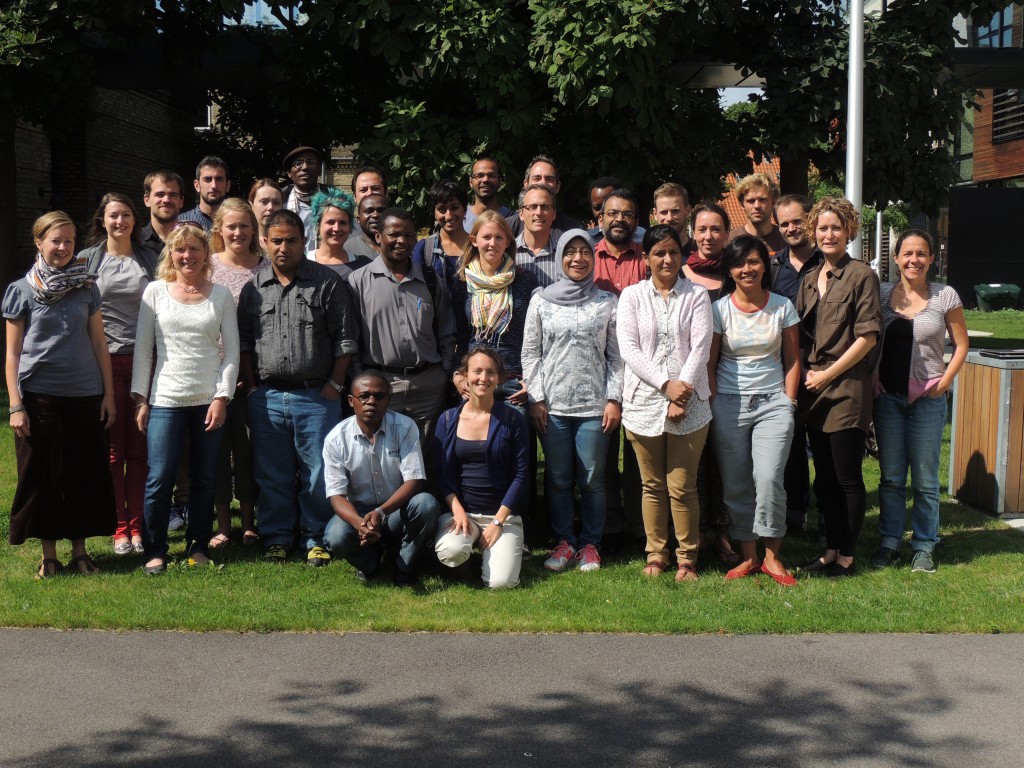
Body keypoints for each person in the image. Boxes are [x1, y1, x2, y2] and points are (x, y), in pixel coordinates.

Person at [238, 209, 357, 566]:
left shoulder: (327, 282)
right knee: (271, 472)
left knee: (318, 473)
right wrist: (253, 388)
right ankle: (277, 536)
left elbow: (346, 340)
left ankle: (315, 536)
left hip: (317, 396)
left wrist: (334, 385)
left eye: (291, 240)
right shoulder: (253, 289)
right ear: (264, 242)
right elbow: (245, 343)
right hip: (268, 397)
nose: (284, 247)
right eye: (276, 240)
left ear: (305, 240)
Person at [4, 211, 116, 578]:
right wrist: (16, 405)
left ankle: (80, 552)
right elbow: (12, 354)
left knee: (84, 474)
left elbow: (99, 343)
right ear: (39, 242)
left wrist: (108, 394)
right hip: (39, 398)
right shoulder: (21, 291)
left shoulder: (87, 286)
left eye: (69, 241)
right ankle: (49, 556)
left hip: (86, 395)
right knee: (43, 477)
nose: (64, 247)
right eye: (56, 241)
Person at [131, 223, 239, 574]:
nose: (187, 255)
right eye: (180, 249)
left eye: (194, 249)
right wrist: (141, 400)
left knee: (205, 478)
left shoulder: (221, 295)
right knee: (159, 479)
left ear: (206, 253)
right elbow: (143, 350)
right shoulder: (155, 292)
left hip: (208, 400)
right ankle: (155, 549)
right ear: (171, 254)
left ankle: (198, 545)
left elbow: (232, 353)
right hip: (165, 399)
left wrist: (222, 397)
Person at [521, 230, 623, 573]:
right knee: (558, 478)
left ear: (593, 258)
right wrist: (536, 398)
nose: (578, 258)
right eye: (570, 252)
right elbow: (531, 353)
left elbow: (616, 357)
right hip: (553, 408)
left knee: (593, 479)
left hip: (595, 407)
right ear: (560, 257)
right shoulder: (541, 301)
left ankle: (591, 545)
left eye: (585, 252)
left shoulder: (607, 302)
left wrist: (614, 399)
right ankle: (564, 542)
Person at [617, 225, 713, 582]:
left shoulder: (697, 295)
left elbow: (700, 347)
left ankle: (687, 558)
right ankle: (656, 554)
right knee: (652, 485)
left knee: (683, 486)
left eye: (673, 252)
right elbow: (629, 349)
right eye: (659, 253)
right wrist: (665, 385)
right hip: (643, 402)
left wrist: (681, 391)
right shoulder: (631, 297)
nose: (667, 259)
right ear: (646, 258)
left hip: (691, 403)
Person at [871, 229, 968, 574]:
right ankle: (889, 541)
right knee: (892, 477)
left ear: (931, 259)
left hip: (927, 400)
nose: (914, 260)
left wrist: (944, 382)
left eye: (921, 254)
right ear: (896, 258)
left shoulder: (945, 295)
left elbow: (961, 344)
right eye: (908, 253)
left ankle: (925, 545)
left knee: (926, 480)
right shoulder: (882, 294)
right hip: (888, 400)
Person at [708, 236, 800, 586]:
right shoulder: (719, 310)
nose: (746, 269)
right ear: (729, 270)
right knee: (736, 483)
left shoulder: (782, 306)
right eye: (738, 263)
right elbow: (709, 364)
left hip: (773, 404)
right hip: (729, 405)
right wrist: (715, 401)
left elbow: (793, 359)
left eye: (753, 261)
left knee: (769, 478)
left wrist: (789, 401)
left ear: (764, 266)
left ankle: (773, 557)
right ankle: (748, 555)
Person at [796, 196, 880, 578]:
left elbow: (867, 338)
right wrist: (803, 374)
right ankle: (830, 550)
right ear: (813, 232)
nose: (828, 234)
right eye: (822, 228)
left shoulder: (862, 275)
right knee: (825, 479)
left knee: (847, 477)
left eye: (836, 228)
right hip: (813, 389)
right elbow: (800, 336)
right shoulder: (809, 279)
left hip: (846, 388)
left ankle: (847, 556)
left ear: (849, 232)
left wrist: (828, 375)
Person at [80, 193, 160, 555]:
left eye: (126, 215)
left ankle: (138, 527)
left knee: (140, 449)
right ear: (102, 220)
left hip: (145, 360)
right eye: (113, 215)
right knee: (114, 450)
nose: (120, 221)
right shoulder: (86, 261)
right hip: (104, 362)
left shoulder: (150, 258)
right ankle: (119, 528)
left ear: (134, 219)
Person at [347, 207, 456, 447]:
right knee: (383, 454)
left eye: (408, 235)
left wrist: (444, 373)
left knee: (427, 456)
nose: (402, 241)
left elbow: (446, 331)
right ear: (379, 236)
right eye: (394, 234)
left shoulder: (430, 280)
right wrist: (359, 378)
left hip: (428, 387)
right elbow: (350, 337)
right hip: (381, 386)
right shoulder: (358, 281)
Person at [322, 370, 440, 586]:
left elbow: (415, 480)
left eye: (379, 396)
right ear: (351, 401)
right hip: (359, 513)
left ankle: (404, 566)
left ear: (388, 400)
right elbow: (336, 495)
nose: (371, 401)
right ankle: (370, 563)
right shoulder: (336, 439)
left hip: (395, 511)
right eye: (364, 396)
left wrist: (380, 512)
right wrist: (359, 523)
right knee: (335, 536)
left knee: (426, 504)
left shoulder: (405, 426)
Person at [434, 348, 529, 589]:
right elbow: (441, 474)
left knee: (501, 583)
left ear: (499, 378)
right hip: (462, 514)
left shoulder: (513, 420)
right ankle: (467, 557)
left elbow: (521, 475)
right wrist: (457, 511)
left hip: (502, 517)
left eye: (490, 372)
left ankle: (495, 550)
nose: (483, 378)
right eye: (477, 371)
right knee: (450, 551)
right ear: (465, 376)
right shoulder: (447, 419)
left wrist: (498, 522)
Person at [208, 199, 269, 549]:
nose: (238, 232)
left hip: (253, 376)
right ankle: (222, 526)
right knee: (217, 452)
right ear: (220, 230)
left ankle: (248, 523)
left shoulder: (265, 267)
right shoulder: (208, 267)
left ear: (254, 229)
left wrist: (250, 375)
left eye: (244, 226)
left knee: (247, 452)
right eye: (231, 226)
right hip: (212, 376)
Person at [686, 200, 737, 564]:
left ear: (726, 234)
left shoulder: (738, 273)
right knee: (697, 461)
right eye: (702, 229)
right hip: (691, 381)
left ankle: (725, 532)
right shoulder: (680, 274)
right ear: (692, 233)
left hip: (732, 380)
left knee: (727, 459)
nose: (708, 236)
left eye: (716, 229)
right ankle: (697, 531)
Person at [772, 194, 824, 534]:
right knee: (789, 446)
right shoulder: (773, 268)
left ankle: (827, 517)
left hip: (824, 368)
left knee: (824, 446)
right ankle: (795, 512)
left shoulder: (829, 261)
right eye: (784, 224)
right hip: (784, 370)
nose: (792, 228)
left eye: (797, 221)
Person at [450, 210, 538, 414]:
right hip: (475, 379)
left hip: (514, 381)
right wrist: (457, 375)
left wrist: (533, 380)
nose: (492, 243)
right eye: (486, 237)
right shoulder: (462, 283)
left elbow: (535, 338)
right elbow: (461, 337)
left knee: (516, 433)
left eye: (499, 237)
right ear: (474, 240)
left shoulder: (525, 280)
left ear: (507, 242)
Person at [412, 180, 470, 295]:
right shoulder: (424, 249)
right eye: (442, 209)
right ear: (434, 212)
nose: (448, 216)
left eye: (454, 208)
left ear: (464, 209)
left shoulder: (478, 245)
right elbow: (416, 290)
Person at [505, 155, 583, 236]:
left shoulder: (573, 231)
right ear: (526, 185)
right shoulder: (506, 229)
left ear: (557, 187)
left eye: (549, 179)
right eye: (537, 178)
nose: (543, 183)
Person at [308, 188, 369, 279]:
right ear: (318, 225)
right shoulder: (301, 263)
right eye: (330, 222)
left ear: (350, 227)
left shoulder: (363, 266)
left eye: (342, 223)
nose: (336, 228)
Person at [513, 184, 565, 287]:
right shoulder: (506, 252)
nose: (539, 213)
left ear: (554, 214)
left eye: (545, 207)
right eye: (533, 207)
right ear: (521, 214)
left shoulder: (565, 254)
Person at [281, 146, 332, 244]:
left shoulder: (336, 200)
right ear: (289, 172)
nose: (305, 167)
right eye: (298, 163)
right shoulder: (280, 200)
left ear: (319, 170)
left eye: (311, 162)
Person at [728, 172, 786, 255]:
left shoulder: (785, 239)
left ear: (773, 203)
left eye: (762, 200)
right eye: (751, 201)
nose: (757, 206)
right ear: (742, 205)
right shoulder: (730, 240)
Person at [178, 156, 231, 233]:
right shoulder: (181, 223)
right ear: (197, 185)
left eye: (219, 179)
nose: (214, 185)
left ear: (228, 185)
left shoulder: (238, 222)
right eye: (208, 179)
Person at [140, 170, 185, 249]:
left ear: (181, 201)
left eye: (173, 195)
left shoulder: (194, 241)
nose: (166, 200)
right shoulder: (134, 242)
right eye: (160, 194)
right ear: (147, 200)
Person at [464, 157, 509, 233]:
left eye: (491, 175)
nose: (485, 180)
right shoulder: (460, 217)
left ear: (500, 181)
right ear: (471, 182)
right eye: (479, 175)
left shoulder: (512, 218)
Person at [651, 182, 696, 257]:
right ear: (655, 214)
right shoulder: (646, 252)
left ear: (688, 211)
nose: (669, 218)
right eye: (664, 212)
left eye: (675, 211)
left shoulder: (701, 252)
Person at [344, 192, 389, 262]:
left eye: (381, 211)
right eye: (369, 211)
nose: (375, 215)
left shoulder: (399, 244)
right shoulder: (347, 248)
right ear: (358, 219)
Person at [248, 178, 284, 242]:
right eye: (264, 201)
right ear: (251, 205)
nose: (270, 207)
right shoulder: (243, 242)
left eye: (276, 203)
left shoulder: (290, 242)